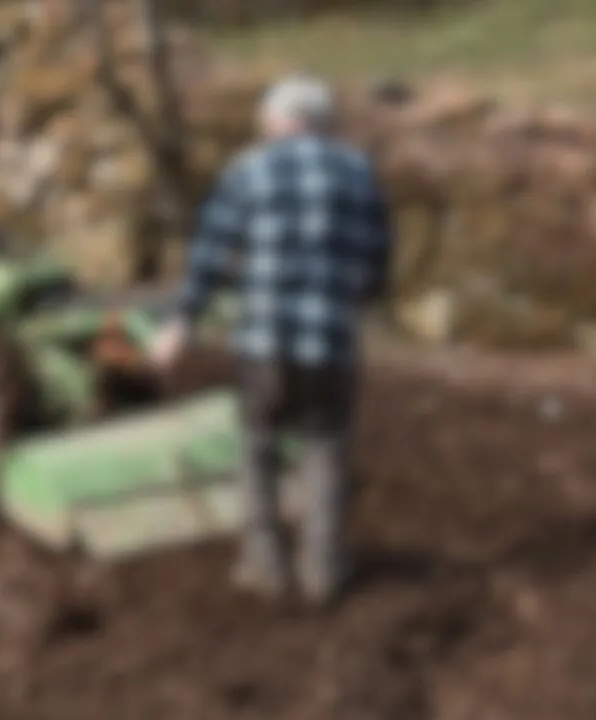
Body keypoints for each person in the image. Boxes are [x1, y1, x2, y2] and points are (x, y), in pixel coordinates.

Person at [150, 74, 394, 605]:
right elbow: (376, 266)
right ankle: (322, 568)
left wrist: (181, 321)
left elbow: (211, 255)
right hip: (330, 343)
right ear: (326, 123)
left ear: (274, 123)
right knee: (324, 446)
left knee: (258, 446)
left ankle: (265, 563)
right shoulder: (359, 173)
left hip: (263, 342)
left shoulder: (248, 170)